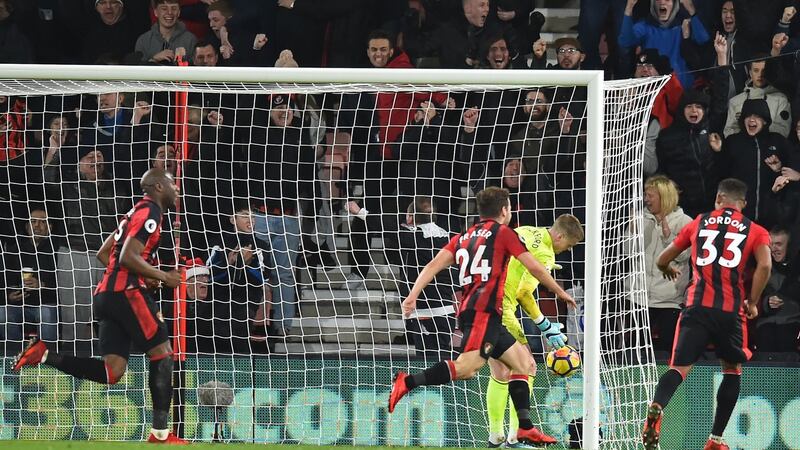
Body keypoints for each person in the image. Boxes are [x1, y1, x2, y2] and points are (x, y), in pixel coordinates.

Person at [388, 187, 576, 446]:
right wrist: (560, 293)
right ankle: (407, 382)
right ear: (503, 211)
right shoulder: (503, 234)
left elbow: (432, 265)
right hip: (483, 312)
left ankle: (524, 428)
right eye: (509, 207)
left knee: (524, 365)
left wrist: (412, 296)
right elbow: (533, 265)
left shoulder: (463, 237)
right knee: (466, 369)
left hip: (482, 311)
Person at [12, 168, 186, 444]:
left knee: (112, 371)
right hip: (126, 292)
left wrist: (144, 274)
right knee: (162, 354)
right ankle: (161, 434)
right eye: (171, 182)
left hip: (106, 295)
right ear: (158, 187)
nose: (176, 187)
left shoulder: (132, 213)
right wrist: (162, 276)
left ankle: (45, 355)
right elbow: (128, 256)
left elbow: (104, 253)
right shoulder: (150, 212)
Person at [641, 178, 772, 450]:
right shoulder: (755, 230)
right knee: (732, 370)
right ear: (743, 204)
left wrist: (666, 268)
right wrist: (752, 301)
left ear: (718, 199)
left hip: (696, 307)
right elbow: (765, 266)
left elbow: (663, 259)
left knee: (678, 369)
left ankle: (657, 406)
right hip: (730, 312)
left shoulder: (698, 221)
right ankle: (715, 440)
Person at [486, 215, 584, 448]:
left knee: (501, 370)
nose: (566, 250)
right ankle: (516, 435)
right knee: (527, 365)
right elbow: (523, 293)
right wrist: (546, 326)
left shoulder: (529, 230)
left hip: (485, 299)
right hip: (503, 305)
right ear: (559, 236)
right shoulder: (545, 255)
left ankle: (496, 436)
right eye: (568, 245)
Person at [636, 176, 692, 354]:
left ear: (664, 197)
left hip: (669, 300)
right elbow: (625, 252)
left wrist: (668, 237)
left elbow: (684, 256)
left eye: (650, 195)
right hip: (638, 298)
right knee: (636, 352)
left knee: (668, 351)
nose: (646, 199)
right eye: (645, 194)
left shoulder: (685, 222)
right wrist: (631, 234)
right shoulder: (639, 219)